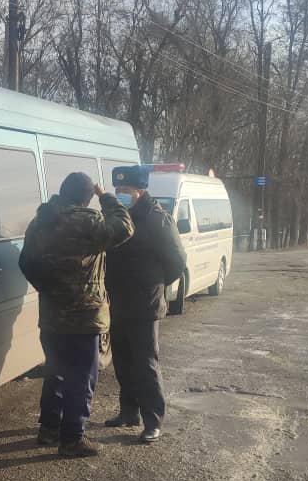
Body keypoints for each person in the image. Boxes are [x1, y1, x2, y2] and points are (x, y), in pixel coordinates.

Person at [19, 172, 134, 457]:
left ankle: (49, 429)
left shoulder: (41, 220)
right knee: (81, 377)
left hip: (51, 314)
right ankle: (72, 438)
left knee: (56, 372)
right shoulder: (87, 221)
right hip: (84, 317)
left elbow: (25, 262)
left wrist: (47, 288)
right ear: (87, 197)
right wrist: (106, 197)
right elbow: (125, 227)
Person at [104, 165, 187, 443]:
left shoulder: (157, 219)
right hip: (117, 301)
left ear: (140, 191)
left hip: (144, 304)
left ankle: (153, 420)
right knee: (122, 362)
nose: (121, 194)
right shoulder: (116, 216)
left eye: (125, 190)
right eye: (118, 190)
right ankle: (129, 413)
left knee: (146, 364)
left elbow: (176, 262)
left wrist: (153, 285)